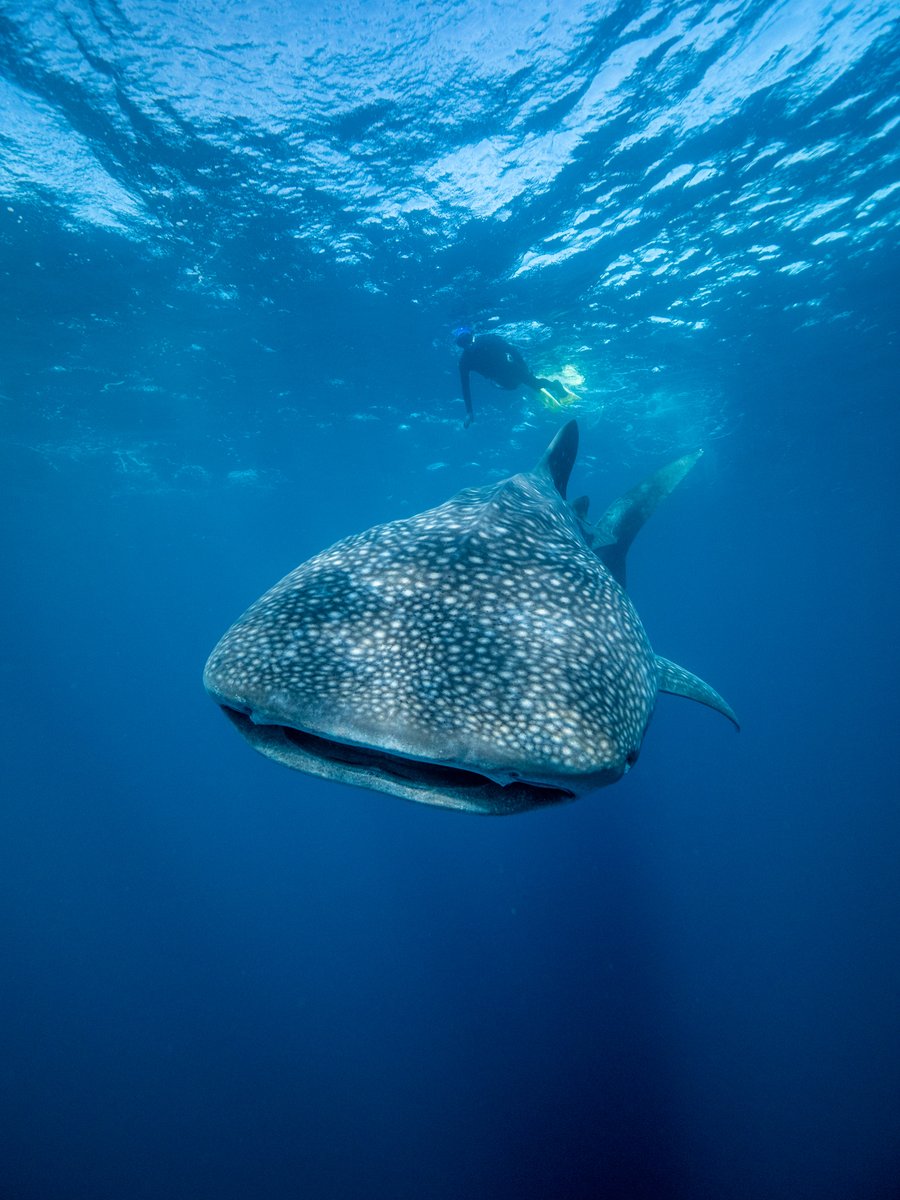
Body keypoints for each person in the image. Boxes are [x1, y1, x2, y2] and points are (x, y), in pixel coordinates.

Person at [454, 326, 578, 428]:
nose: (467, 344)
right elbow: (465, 387)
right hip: (505, 376)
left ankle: (555, 386)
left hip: (512, 369)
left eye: (468, 339)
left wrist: (525, 367)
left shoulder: (487, 341)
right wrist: (469, 411)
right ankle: (540, 386)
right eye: (462, 343)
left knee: (531, 383)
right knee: (520, 385)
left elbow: (511, 350)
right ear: (459, 345)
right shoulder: (465, 361)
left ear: (472, 335)